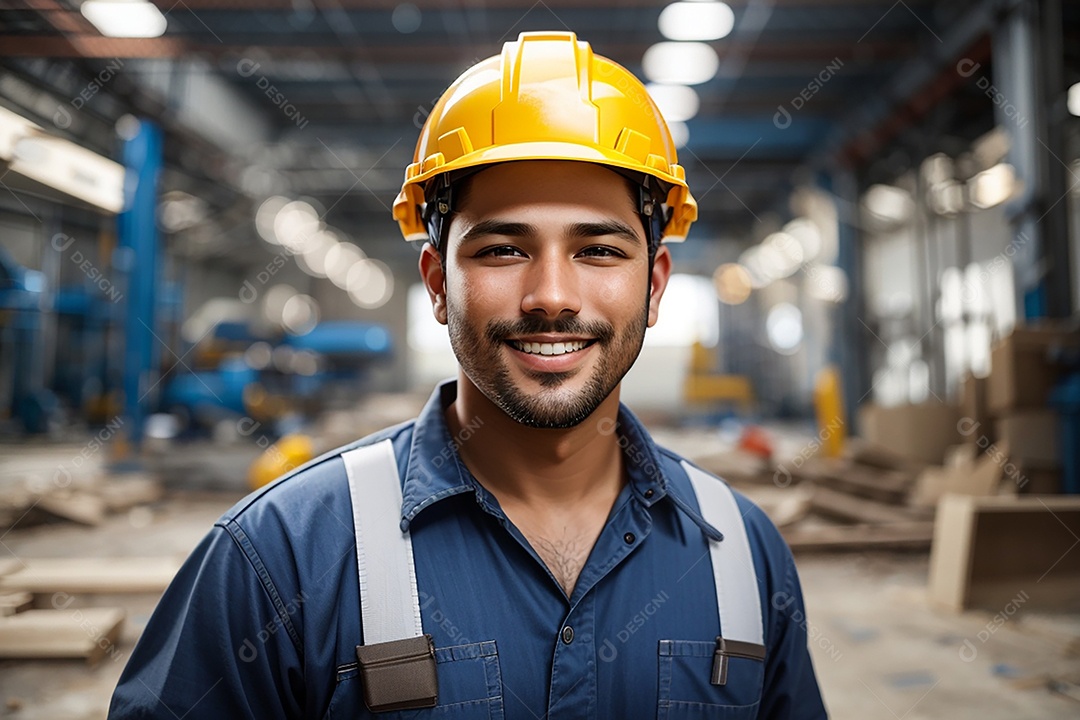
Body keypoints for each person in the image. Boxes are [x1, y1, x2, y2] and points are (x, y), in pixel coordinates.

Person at [109, 31, 827, 719]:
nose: (552, 295)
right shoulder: (279, 560)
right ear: (436, 283)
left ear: (657, 283)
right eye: (503, 250)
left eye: (600, 251)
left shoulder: (742, 556)